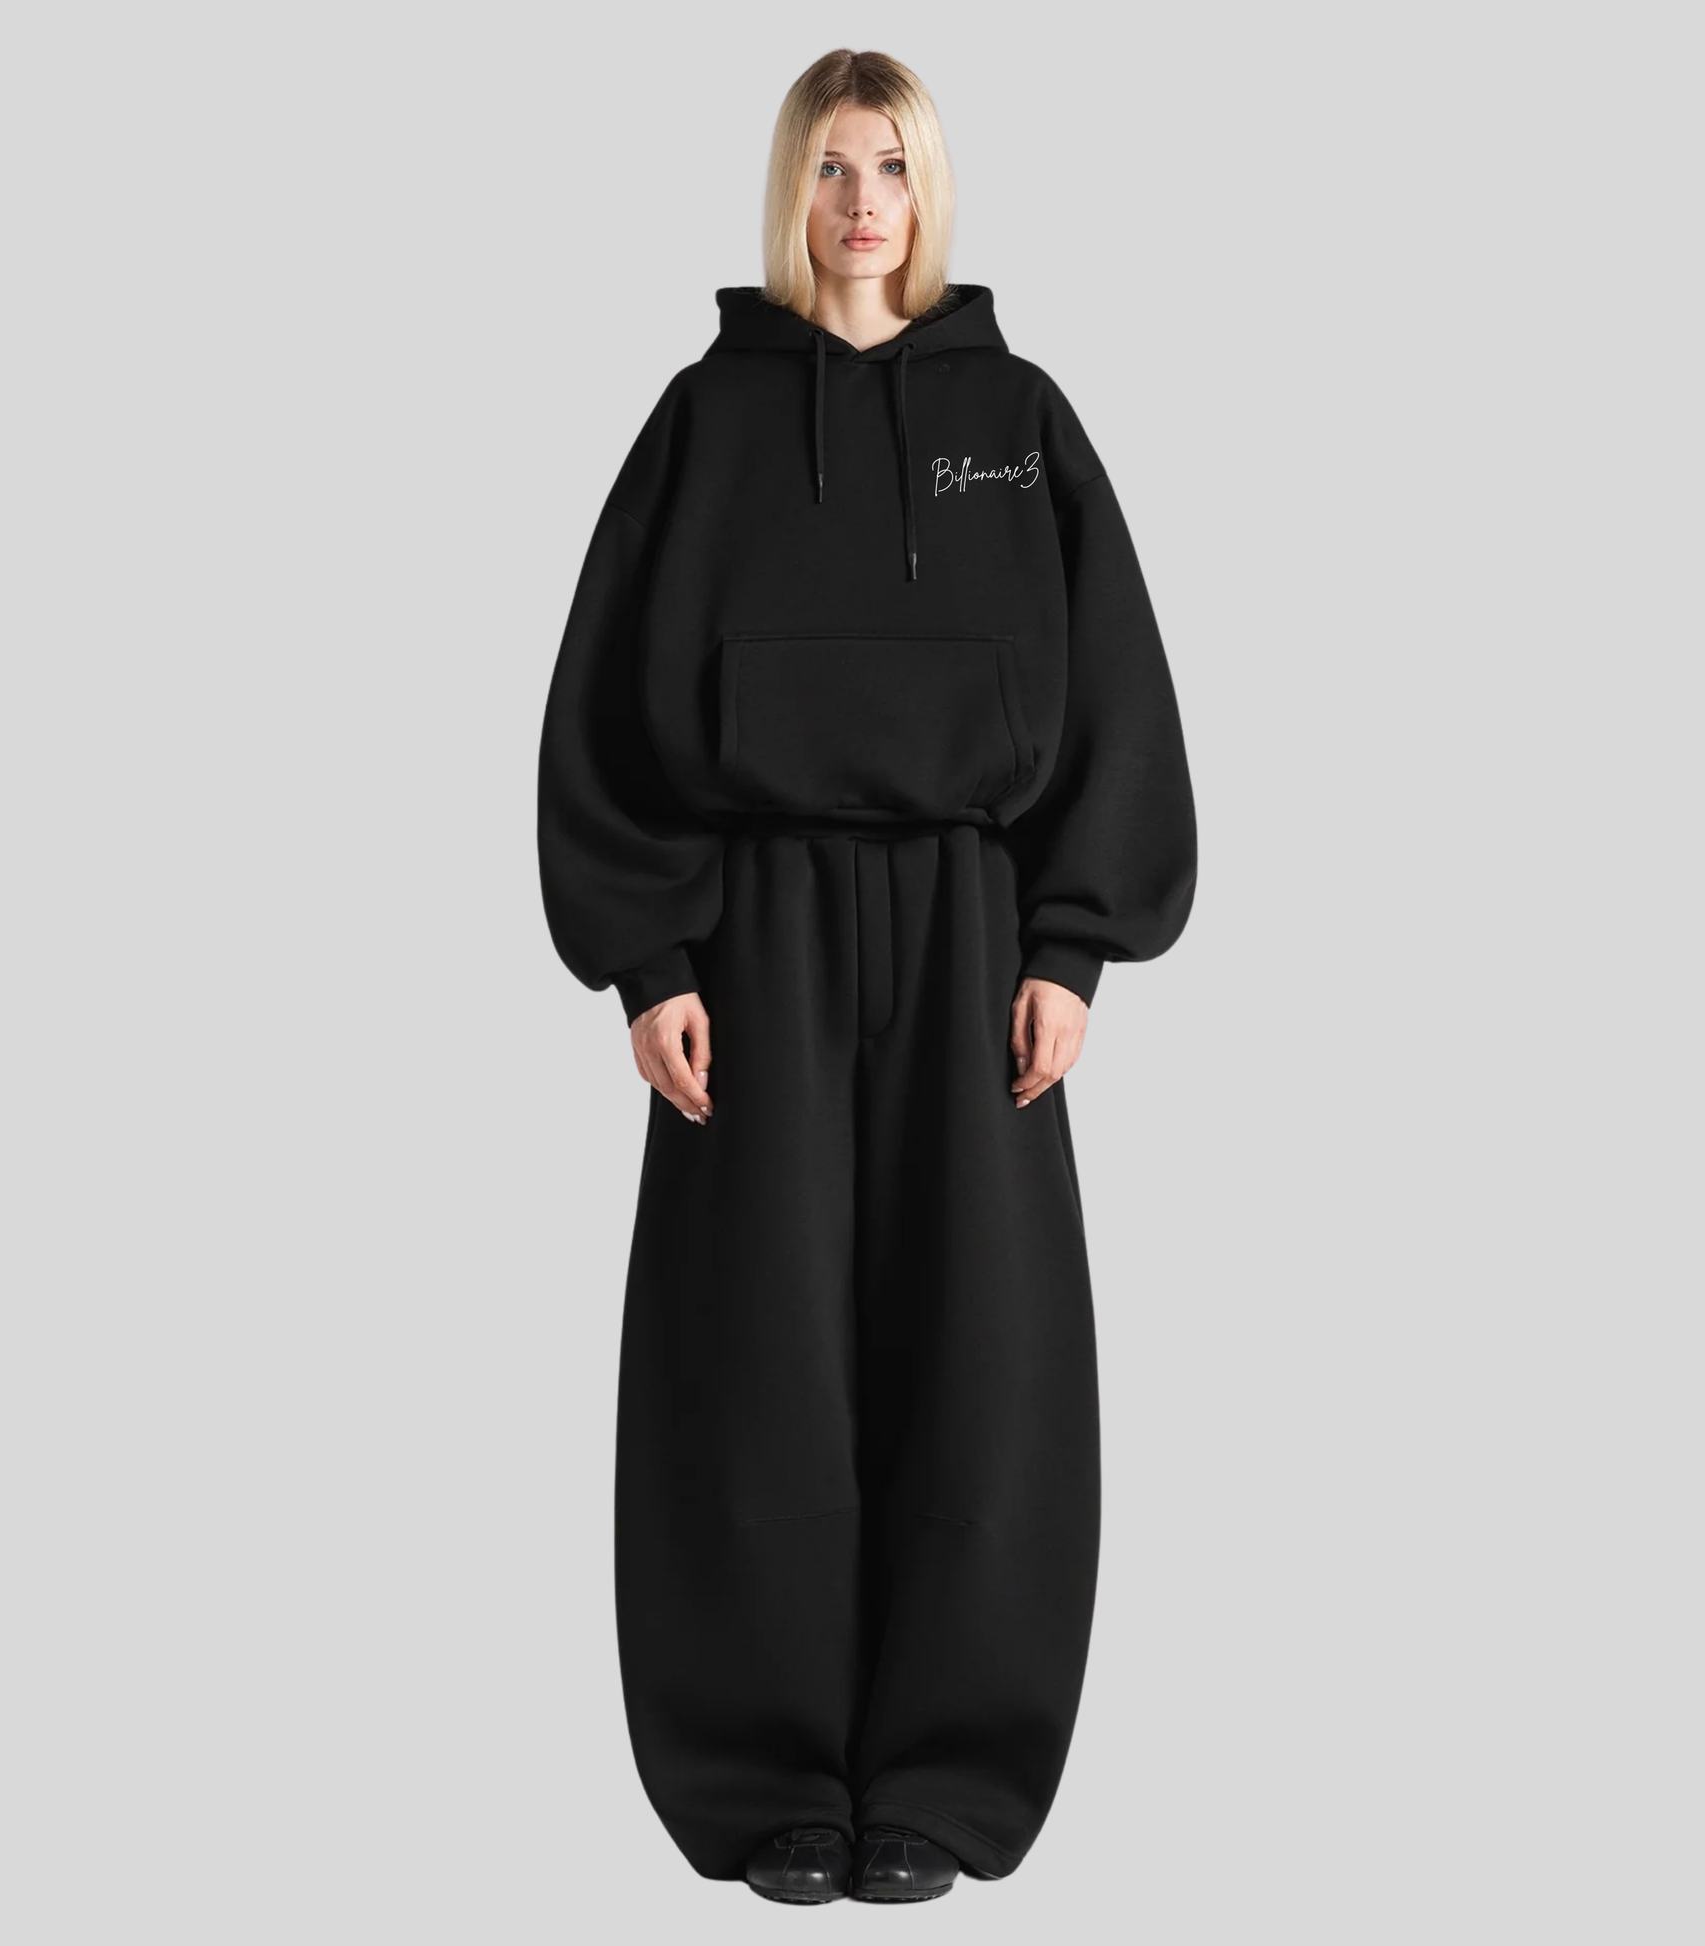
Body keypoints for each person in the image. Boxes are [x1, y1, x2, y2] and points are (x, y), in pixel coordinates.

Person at [535, 47, 1197, 1904]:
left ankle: (938, 1779)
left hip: (970, 929)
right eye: (830, 169)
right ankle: (770, 1786)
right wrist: (649, 954)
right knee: (751, 1352)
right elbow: (602, 697)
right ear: (791, 189)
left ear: (927, 192)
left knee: (979, 1354)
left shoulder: (1016, 416)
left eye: (889, 167)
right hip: (751, 930)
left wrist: (1070, 943)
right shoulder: (703, 419)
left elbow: (1117, 688)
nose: (858, 206)